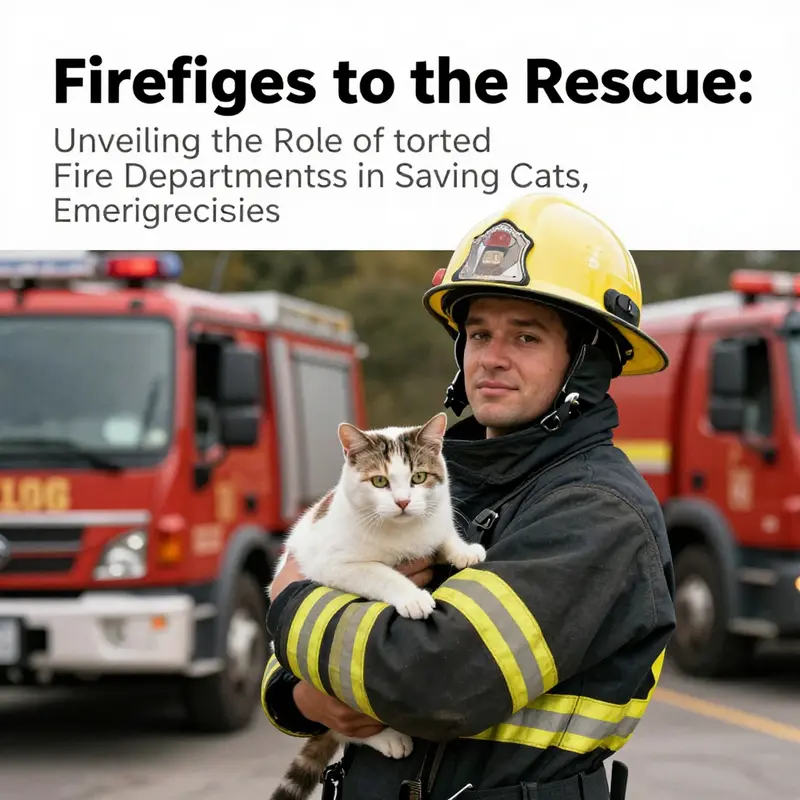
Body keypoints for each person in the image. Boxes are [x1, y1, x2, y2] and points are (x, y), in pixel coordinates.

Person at [262, 193, 676, 800]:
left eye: (526, 338)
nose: (492, 358)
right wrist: (302, 695)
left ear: (587, 363)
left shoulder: (599, 513)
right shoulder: (427, 473)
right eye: (478, 333)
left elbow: (435, 681)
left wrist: (287, 601)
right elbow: (319, 622)